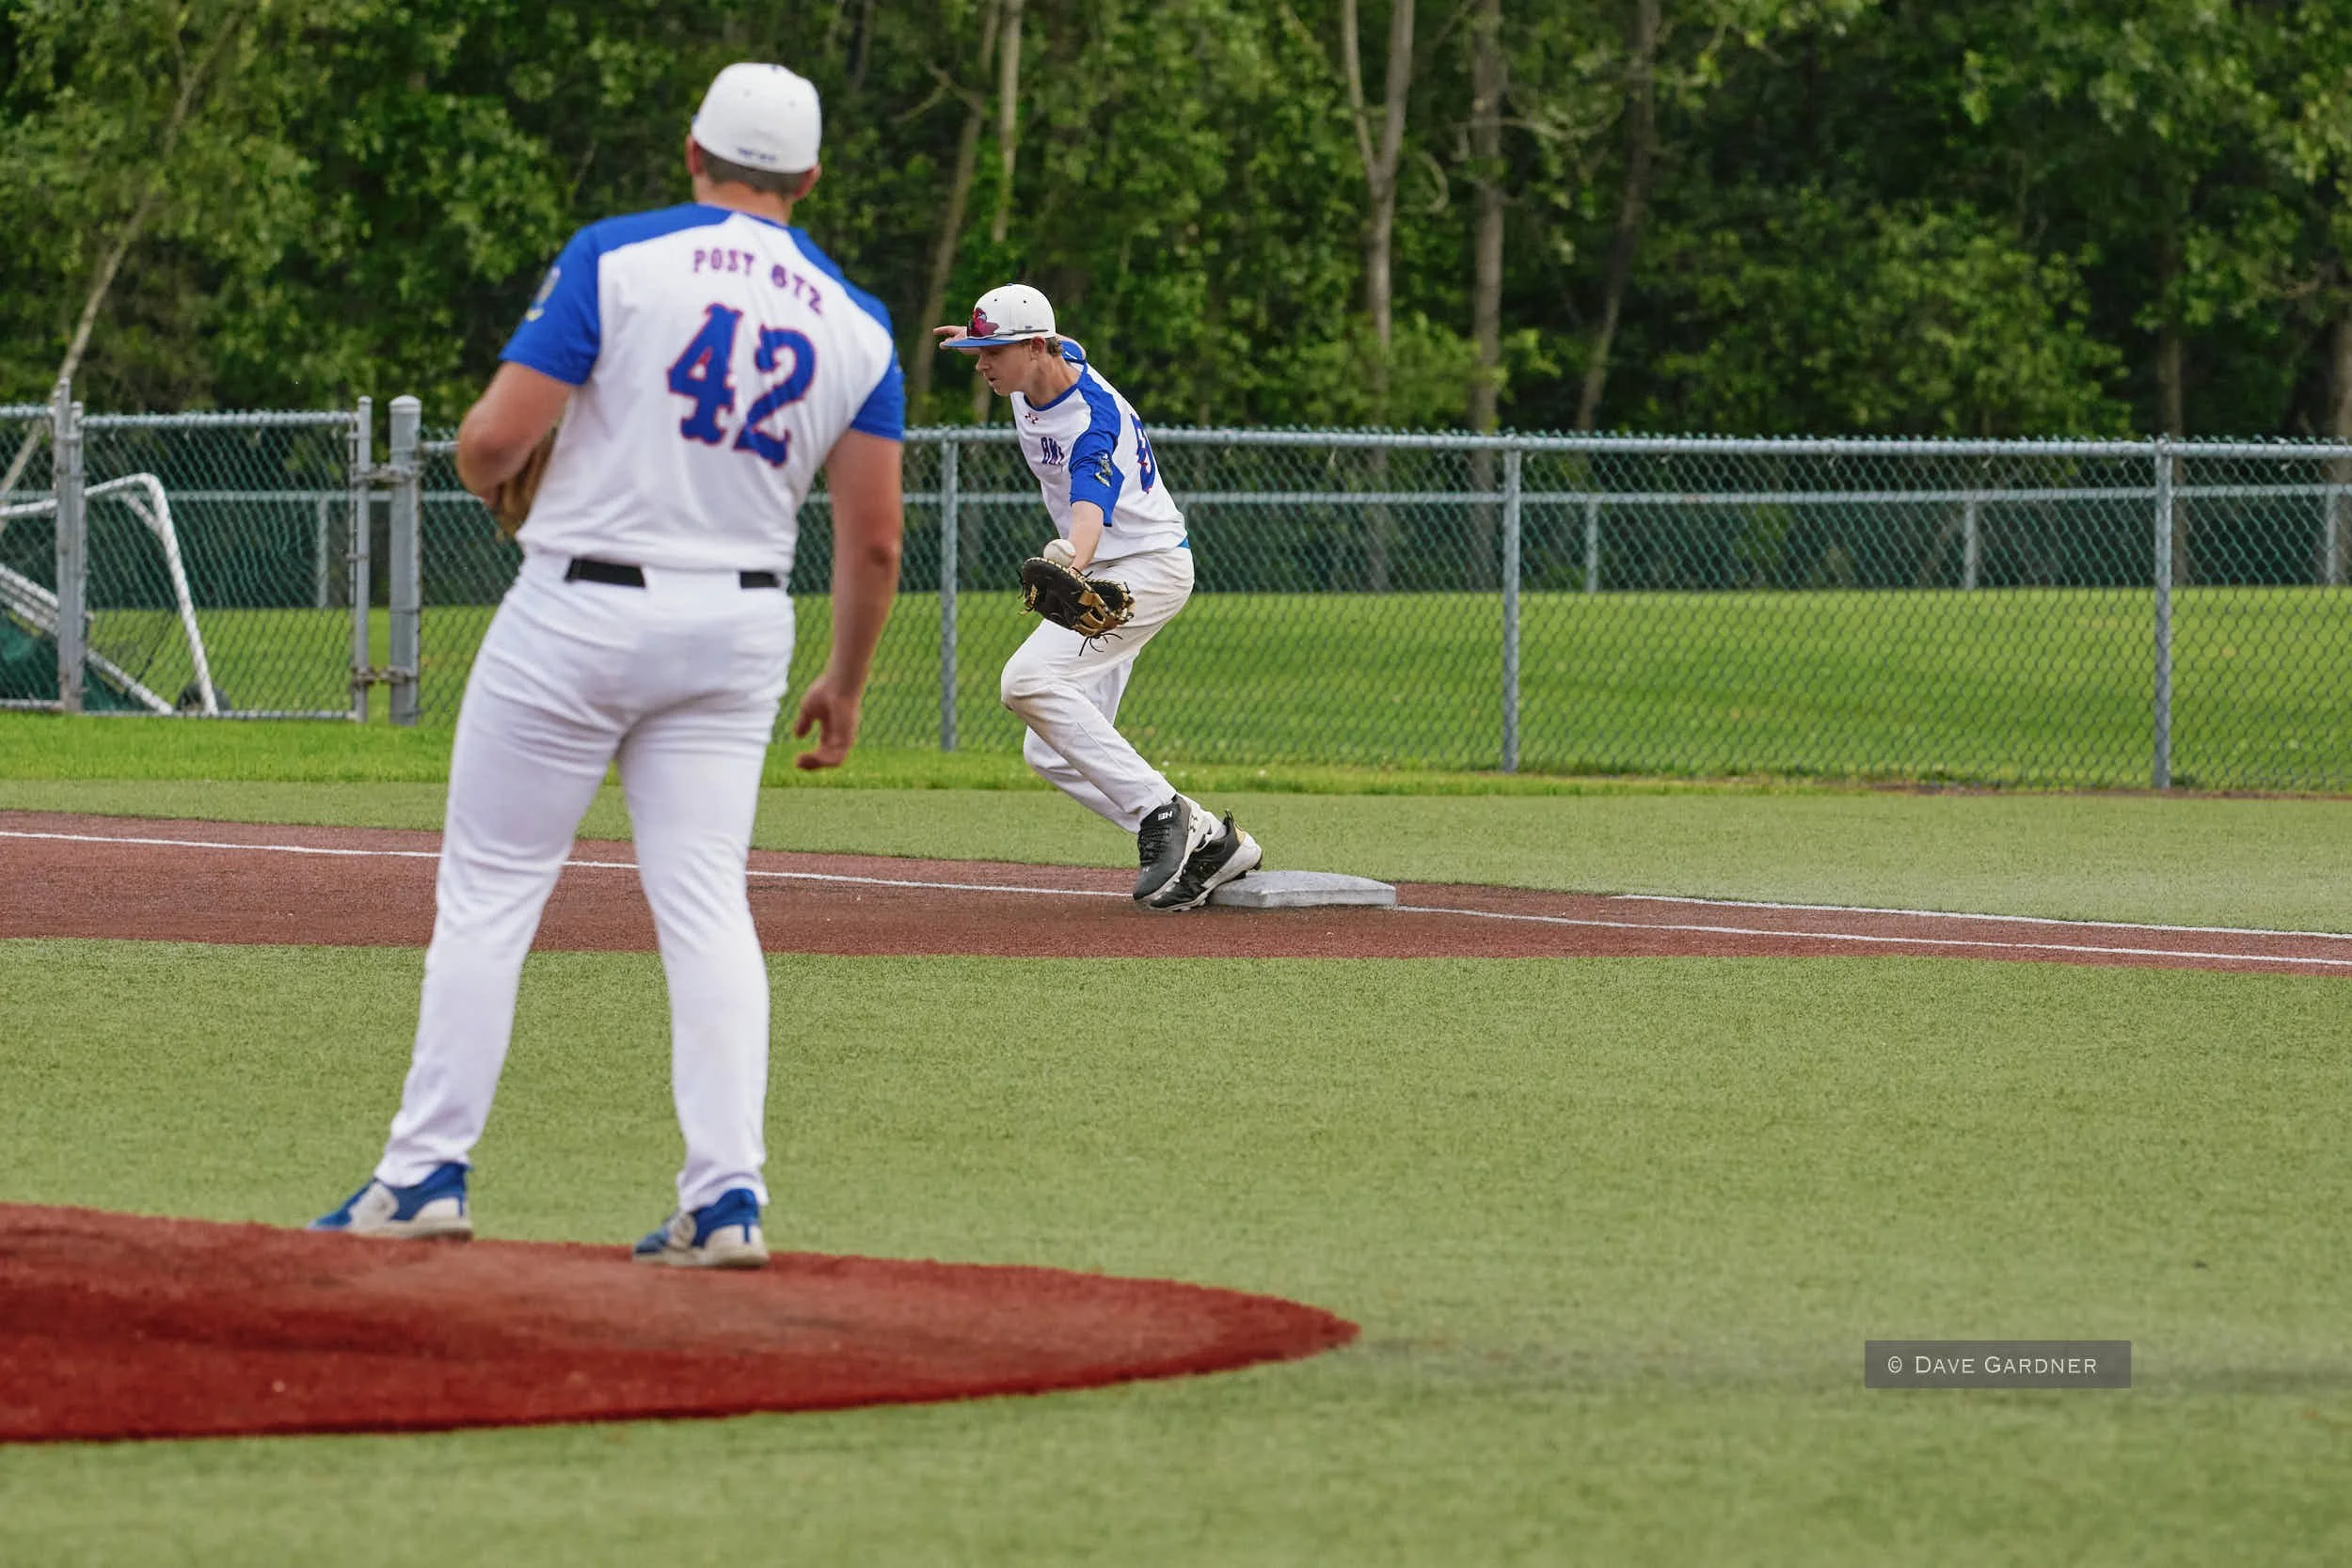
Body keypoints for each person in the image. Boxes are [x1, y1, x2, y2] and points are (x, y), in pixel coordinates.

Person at [310, 62, 905, 1268]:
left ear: (692, 153)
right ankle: (727, 1197)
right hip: (739, 626)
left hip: (580, 608)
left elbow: (492, 440)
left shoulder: (618, 255)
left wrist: (495, 476)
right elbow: (876, 541)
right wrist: (844, 682)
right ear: (810, 178)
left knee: (492, 892)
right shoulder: (857, 322)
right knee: (707, 903)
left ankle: (424, 1171)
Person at [936, 286, 1260, 911]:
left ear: (1036, 348)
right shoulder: (1046, 365)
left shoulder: (1092, 424)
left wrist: (1072, 562)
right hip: (1114, 565)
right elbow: (1059, 342)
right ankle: (1212, 842)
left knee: (1025, 681)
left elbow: (1088, 509)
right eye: (980, 352)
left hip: (1144, 570)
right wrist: (978, 336)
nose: (982, 365)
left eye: (993, 352)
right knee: (1050, 748)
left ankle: (1162, 813)